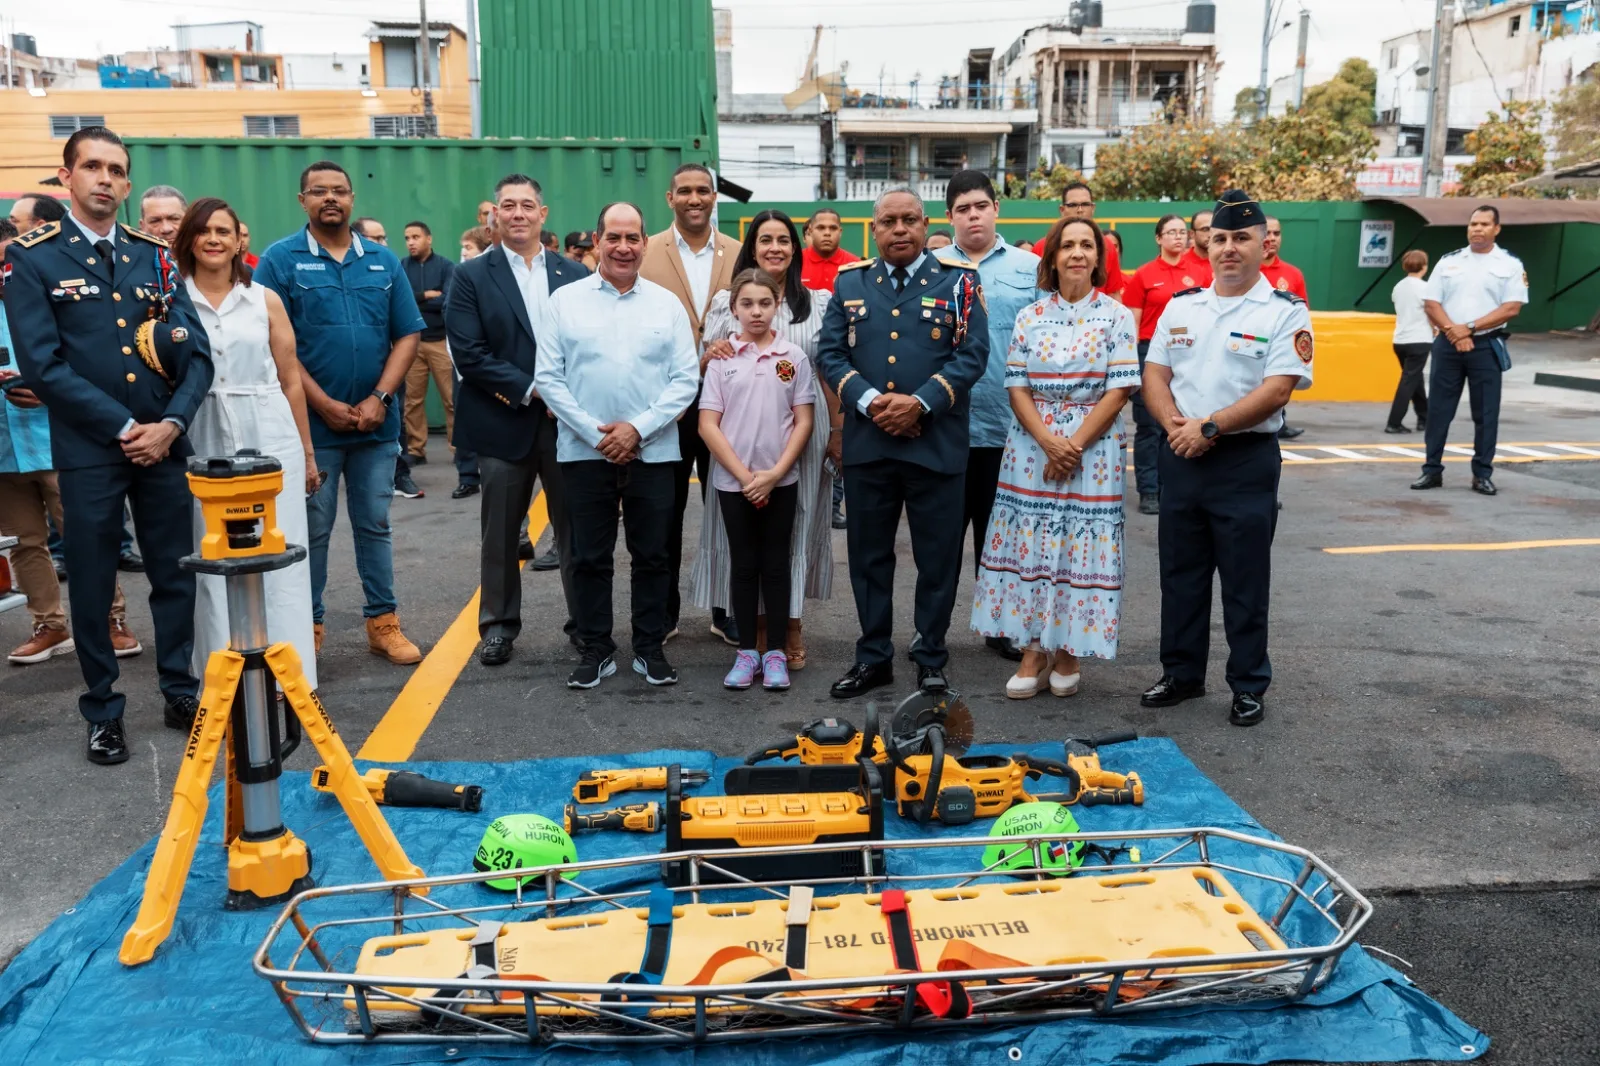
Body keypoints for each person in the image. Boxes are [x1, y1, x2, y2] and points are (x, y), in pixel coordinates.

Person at [5, 126, 213, 764]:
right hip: (94, 451)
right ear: (66, 178)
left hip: (163, 447)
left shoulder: (154, 255)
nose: (105, 179)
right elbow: (42, 365)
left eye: (116, 170)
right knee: (93, 582)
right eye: (91, 167)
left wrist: (172, 425)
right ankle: (102, 708)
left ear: (126, 182)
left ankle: (180, 688)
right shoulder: (35, 257)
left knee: (175, 575)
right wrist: (126, 428)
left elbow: (197, 355)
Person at [1139, 190, 1314, 728]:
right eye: (1220, 239)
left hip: (1243, 461)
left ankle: (1247, 684)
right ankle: (1183, 674)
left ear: (1264, 245)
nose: (1229, 248)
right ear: (1205, 245)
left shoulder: (1285, 310)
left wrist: (1209, 427)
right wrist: (1176, 426)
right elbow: (1155, 375)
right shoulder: (1182, 305)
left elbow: (1279, 388)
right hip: (1182, 454)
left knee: (1244, 580)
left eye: (1242, 238)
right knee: (1181, 575)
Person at [816, 186, 989, 698]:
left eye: (909, 220)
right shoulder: (850, 284)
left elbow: (972, 354)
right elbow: (829, 355)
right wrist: (871, 403)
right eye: (888, 221)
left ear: (925, 224)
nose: (899, 230)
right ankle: (873, 657)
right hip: (871, 446)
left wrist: (921, 404)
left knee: (937, 559)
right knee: (870, 557)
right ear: (874, 229)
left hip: (936, 444)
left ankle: (931, 654)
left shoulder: (959, 284)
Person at [254, 160, 427, 665]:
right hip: (314, 428)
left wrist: (381, 398)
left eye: (339, 191)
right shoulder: (279, 261)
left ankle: (383, 622)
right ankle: (306, 628)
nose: (330, 198)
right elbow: (274, 345)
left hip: (376, 426)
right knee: (314, 527)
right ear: (301, 200)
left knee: (375, 523)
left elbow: (408, 334)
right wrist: (323, 404)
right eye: (318, 191)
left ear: (352, 199)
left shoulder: (382, 260)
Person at [971, 216, 1138, 698]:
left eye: (1087, 245)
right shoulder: (1031, 315)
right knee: (1034, 543)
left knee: (1076, 548)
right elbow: (1017, 385)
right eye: (1068, 245)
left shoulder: (1117, 315)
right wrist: (1049, 442)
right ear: (1053, 258)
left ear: (1098, 259)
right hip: (1031, 445)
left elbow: (1120, 387)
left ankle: (1068, 650)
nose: (1078, 254)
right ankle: (1031, 650)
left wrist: (1074, 445)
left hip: (1094, 447)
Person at [536, 202, 699, 689]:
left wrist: (638, 430)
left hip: (654, 452)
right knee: (589, 556)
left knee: (653, 554)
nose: (624, 247)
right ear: (598, 240)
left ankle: (649, 648)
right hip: (586, 454)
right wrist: (597, 434)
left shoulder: (666, 304)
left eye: (633, 238)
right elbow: (549, 378)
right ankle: (596, 648)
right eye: (614, 237)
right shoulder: (565, 301)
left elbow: (685, 379)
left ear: (645, 243)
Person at [445, 174, 589, 668]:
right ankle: (499, 626)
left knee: (576, 529)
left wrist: (568, 397)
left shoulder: (575, 274)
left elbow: (590, 347)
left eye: (528, 205)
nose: (519, 214)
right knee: (502, 533)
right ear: (494, 217)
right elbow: (470, 354)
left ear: (543, 215)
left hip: (567, 424)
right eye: (508, 206)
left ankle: (585, 625)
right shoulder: (470, 277)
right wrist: (535, 389)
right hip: (502, 420)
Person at [176, 197, 320, 690]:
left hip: (269, 430)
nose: (214, 239)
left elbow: (291, 379)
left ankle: (287, 679)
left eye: (224, 230)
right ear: (189, 239)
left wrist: (306, 452)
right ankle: (224, 679)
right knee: (213, 556)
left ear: (241, 241)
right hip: (203, 430)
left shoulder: (264, 300)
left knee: (279, 553)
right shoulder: (170, 300)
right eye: (204, 230)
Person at [691, 209, 835, 665]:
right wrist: (709, 352)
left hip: (800, 437)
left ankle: (790, 625)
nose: (775, 247)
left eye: (784, 240)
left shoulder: (817, 303)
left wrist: (840, 432)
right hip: (738, 437)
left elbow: (828, 372)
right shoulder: (723, 303)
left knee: (795, 531)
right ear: (751, 247)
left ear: (797, 247)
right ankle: (751, 626)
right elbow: (704, 370)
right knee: (746, 539)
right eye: (765, 239)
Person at [1, 217, 142, 666]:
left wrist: (45, 389)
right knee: (24, 542)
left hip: (60, 439)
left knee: (88, 535)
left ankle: (109, 619)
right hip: (5, 449)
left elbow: (81, 362)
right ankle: (49, 624)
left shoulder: (51, 294)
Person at [937, 170, 1042, 664]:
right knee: (940, 541)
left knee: (1002, 542)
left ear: (996, 208)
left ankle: (1002, 629)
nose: (973, 215)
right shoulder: (930, 268)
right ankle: (931, 632)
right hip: (944, 428)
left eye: (980, 205)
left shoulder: (1032, 268)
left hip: (1011, 429)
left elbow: (1049, 343)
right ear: (949, 217)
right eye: (962, 209)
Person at [698, 268, 815, 691]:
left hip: (780, 481)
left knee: (776, 565)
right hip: (735, 483)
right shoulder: (723, 359)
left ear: (777, 306)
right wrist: (747, 477)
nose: (756, 311)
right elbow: (708, 424)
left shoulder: (793, 358)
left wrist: (775, 474)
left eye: (765, 303)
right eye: (746, 303)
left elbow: (803, 421)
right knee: (744, 566)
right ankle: (747, 651)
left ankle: (777, 653)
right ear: (732, 310)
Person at [639, 163, 741, 643]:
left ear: (715, 196)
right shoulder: (645, 252)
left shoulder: (739, 253)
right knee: (664, 510)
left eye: (703, 190)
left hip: (728, 403)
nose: (694, 198)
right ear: (670, 197)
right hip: (666, 404)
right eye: (685, 191)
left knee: (726, 507)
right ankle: (663, 612)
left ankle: (727, 610)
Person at [1410, 206, 1527, 497]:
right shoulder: (1449, 261)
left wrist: (1470, 328)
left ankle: (1482, 474)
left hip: (1486, 346)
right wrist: (1453, 331)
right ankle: (1431, 470)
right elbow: (1431, 303)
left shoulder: (1510, 264)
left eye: (1484, 224)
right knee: (1438, 410)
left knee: (1486, 413)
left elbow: (1511, 307)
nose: (1477, 229)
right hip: (1448, 345)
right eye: (1473, 223)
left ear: (1496, 229)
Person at [1122, 214, 1210, 516]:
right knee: (1149, 426)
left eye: (1181, 232)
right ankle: (1149, 489)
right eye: (1170, 232)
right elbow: (1132, 321)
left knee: (1184, 420)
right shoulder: (1144, 275)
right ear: (1158, 238)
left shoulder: (1202, 272)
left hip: (1188, 353)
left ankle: (1175, 485)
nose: (1177, 237)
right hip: (1150, 352)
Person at [399, 222, 460, 478]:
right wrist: (425, 295)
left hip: (439, 342)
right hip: (412, 343)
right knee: (413, 400)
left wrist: (417, 300)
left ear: (429, 238)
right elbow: (401, 299)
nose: (411, 242)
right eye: (407, 238)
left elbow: (448, 299)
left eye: (416, 237)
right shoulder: (402, 266)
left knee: (450, 399)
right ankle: (416, 450)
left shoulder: (446, 266)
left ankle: (458, 449)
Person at [1261, 217, 1308, 441]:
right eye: (1267, 233)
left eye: (1276, 234)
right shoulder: (1246, 270)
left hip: (1281, 342)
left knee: (1279, 383)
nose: (1271, 238)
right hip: (1251, 340)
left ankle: (1280, 422)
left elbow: (1302, 312)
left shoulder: (1293, 274)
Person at [1387, 250, 1431, 434]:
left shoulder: (1398, 287)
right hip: (1420, 338)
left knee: (1414, 378)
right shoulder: (1426, 288)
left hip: (1400, 340)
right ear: (1424, 266)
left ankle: (1424, 418)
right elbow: (1432, 310)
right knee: (1409, 380)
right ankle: (1394, 422)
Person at [1059, 182, 1123, 301]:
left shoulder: (1107, 245)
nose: (1080, 210)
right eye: (1073, 205)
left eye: (1085, 204)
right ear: (1062, 210)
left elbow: (1113, 293)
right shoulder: (1044, 246)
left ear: (1092, 208)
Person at [800, 208, 858, 292]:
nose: (827, 233)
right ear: (810, 231)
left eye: (833, 228)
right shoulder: (795, 261)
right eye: (821, 228)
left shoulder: (855, 265)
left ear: (840, 232)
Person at [1181, 209, 1213, 278]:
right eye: (1205, 229)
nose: (1210, 234)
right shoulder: (1181, 263)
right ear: (1192, 234)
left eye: (1214, 228)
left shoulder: (1226, 262)